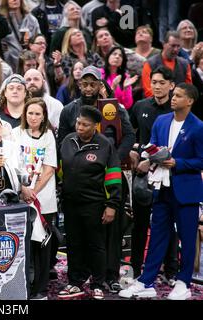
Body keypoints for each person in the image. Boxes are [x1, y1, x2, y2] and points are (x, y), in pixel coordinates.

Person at [120, 83, 203, 300]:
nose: (173, 98)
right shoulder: (161, 121)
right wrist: (149, 157)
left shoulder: (199, 127)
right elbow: (152, 146)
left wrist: (178, 162)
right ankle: (147, 281)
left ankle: (183, 282)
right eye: (173, 95)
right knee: (157, 235)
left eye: (178, 96)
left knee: (186, 237)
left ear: (190, 101)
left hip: (186, 190)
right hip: (161, 188)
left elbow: (201, 160)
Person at [59, 105, 122, 300]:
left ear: (95, 126)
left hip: (94, 204)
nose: (79, 127)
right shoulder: (67, 141)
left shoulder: (105, 145)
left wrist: (112, 204)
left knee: (96, 245)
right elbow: (61, 171)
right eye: (78, 122)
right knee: (74, 243)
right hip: (70, 203)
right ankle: (75, 282)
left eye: (85, 125)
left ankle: (97, 283)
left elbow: (114, 177)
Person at [129, 66, 179, 281]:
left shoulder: (177, 109)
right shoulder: (140, 106)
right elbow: (129, 133)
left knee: (168, 222)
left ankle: (170, 271)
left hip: (167, 172)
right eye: (154, 82)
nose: (157, 86)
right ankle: (136, 268)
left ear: (171, 85)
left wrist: (149, 159)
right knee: (139, 223)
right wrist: (131, 149)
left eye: (161, 82)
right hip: (142, 174)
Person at [12, 97, 57, 300]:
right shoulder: (15, 134)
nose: (33, 117)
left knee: (43, 246)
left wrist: (33, 192)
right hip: (20, 198)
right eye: (30, 113)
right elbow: (11, 164)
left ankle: (40, 288)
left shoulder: (48, 136)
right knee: (23, 245)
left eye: (38, 113)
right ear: (24, 114)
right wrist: (23, 189)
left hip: (43, 200)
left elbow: (49, 169)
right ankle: (21, 286)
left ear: (44, 116)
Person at [142, 31, 192, 98]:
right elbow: (148, 91)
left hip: (179, 105)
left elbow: (188, 89)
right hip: (155, 105)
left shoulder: (185, 64)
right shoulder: (150, 63)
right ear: (164, 44)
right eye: (173, 46)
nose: (176, 49)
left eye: (178, 46)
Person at [0, 0, 40, 72]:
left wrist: (31, 43)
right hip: (9, 63)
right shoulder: (1, 20)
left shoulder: (31, 19)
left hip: (30, 62)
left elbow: (39, 38)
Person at [24, 68, 63, 134]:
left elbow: (58, 132)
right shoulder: (18, 103)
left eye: (36, 79)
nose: (32, 82)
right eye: (28, 80)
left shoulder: (55, 105)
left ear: (43, 83)